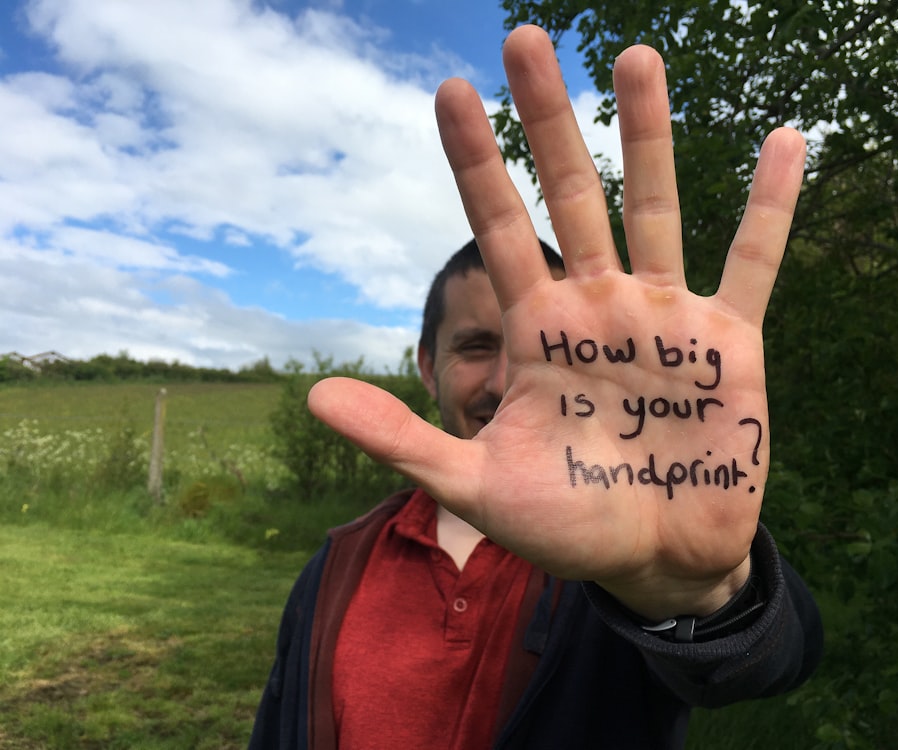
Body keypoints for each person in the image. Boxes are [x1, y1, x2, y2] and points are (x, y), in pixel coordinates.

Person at [249, 24, 823, 750]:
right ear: (426, 365)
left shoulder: (609, 558)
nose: (499, 380)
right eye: (474, 346)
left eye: (539, 353)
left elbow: (781, 657)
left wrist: (693, 595)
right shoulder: (338, 566)